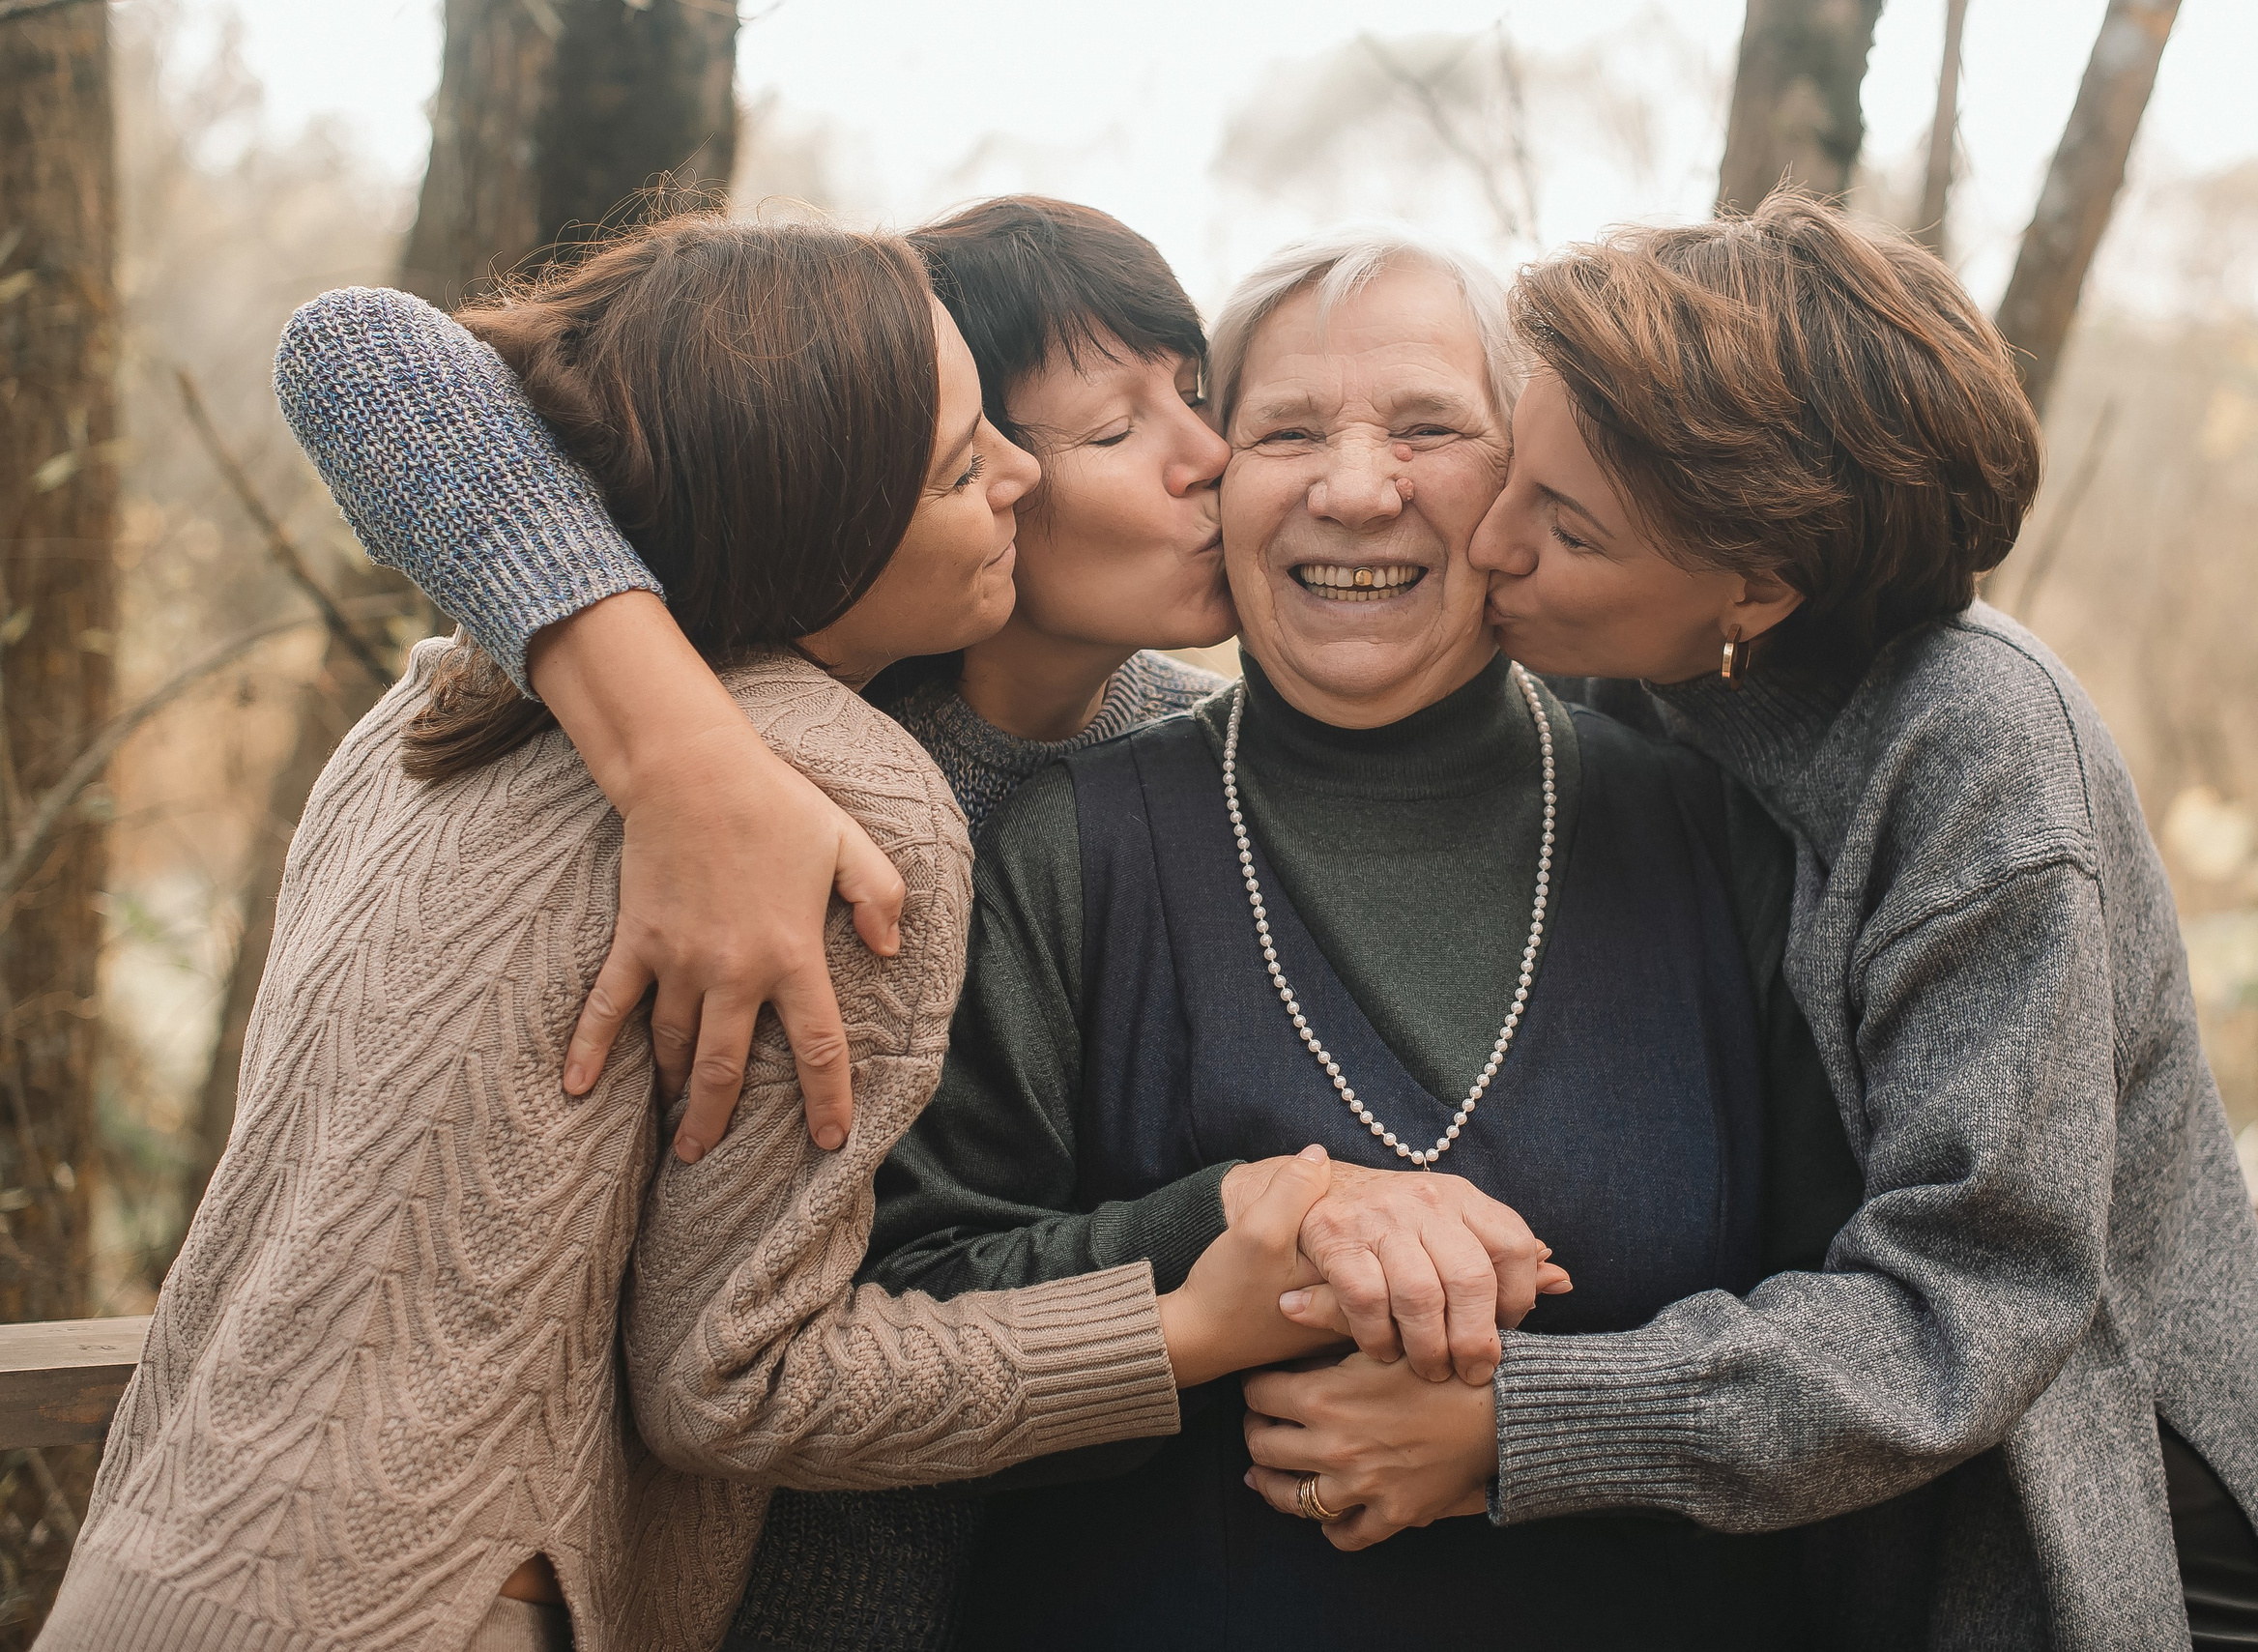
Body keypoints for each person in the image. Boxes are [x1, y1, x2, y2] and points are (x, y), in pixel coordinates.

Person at [266, 198, 1573, 1652]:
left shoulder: (1172, 747)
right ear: (957, 477)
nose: (1211, 459)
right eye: (1113, 427)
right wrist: (678, 755)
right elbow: (359, 351)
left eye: (1194, 396)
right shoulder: (776, 744)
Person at [37, 214, 1350, 1652]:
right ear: (848, 498)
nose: (1209, 458)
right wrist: (1185, 1322)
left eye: (1198, 390)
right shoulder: (830, 799)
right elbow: (736, 1374)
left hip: (165, 1559)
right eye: (1026, 446)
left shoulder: (433, 706)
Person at [1238, 193, 2258, 1651]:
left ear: (1755, 587)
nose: (1490, 544)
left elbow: (1976, 1293)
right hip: (1829, 1521)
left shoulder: (1976, 764)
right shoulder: (1629, 659)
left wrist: (1519, 1422)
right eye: (1518, 476)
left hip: (2093, 1530)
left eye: (1561, 527)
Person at [858, 225, 1822, 1650]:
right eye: (1287, 429)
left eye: (1430, 427)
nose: (1356, 490)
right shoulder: (1067, 844)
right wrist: (1227, 1224)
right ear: (1219, 478)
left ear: (1522, 479)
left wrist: (1543, 1423)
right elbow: (906, 1304)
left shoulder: (1711, 830)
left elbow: (1866, 1324)